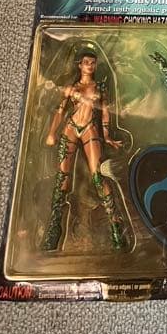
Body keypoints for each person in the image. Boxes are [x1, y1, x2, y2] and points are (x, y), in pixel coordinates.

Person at [42, 50, 125, 251]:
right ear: (79, 65)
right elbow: (60, 111)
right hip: (71, 128)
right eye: (86, 62)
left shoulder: (100, 87)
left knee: (98, 177)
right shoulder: (71, 88)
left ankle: (115, 225)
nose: (89, 65)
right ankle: (54, 227)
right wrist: (51, 133)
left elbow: (105, 113)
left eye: (93, 62)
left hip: (89, 129)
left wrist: (107, 137)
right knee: (62, 177)